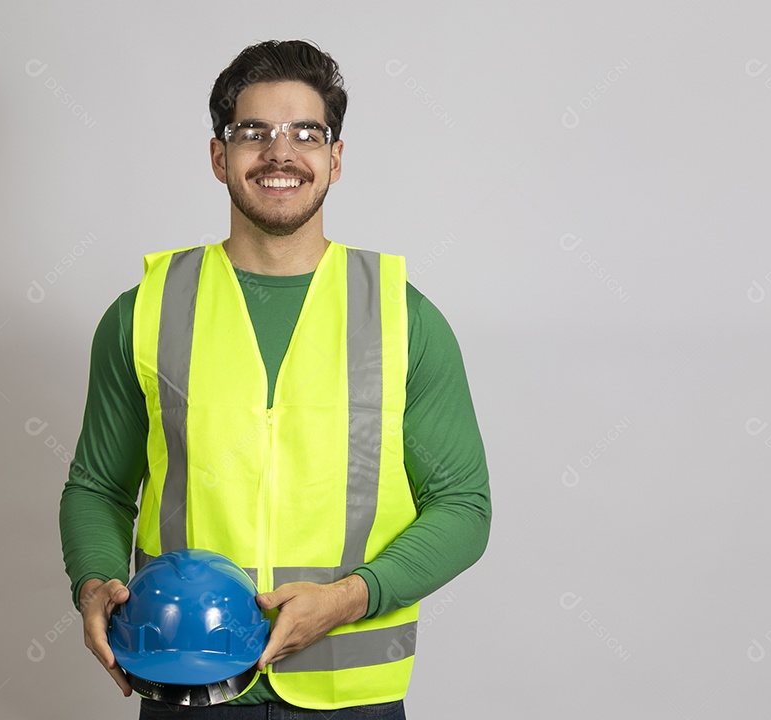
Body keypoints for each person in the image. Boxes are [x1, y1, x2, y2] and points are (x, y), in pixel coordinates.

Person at [59, 39, 491, 719]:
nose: (279, 152)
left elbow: (463, 506)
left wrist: (348, 598)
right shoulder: (144, 311)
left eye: (306, 134)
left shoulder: (404, 318)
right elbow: (99, 489)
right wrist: (94, 583)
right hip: (186, 677)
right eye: (253, 132)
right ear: (219, 156)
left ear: (335, 159)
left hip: (351, 698)